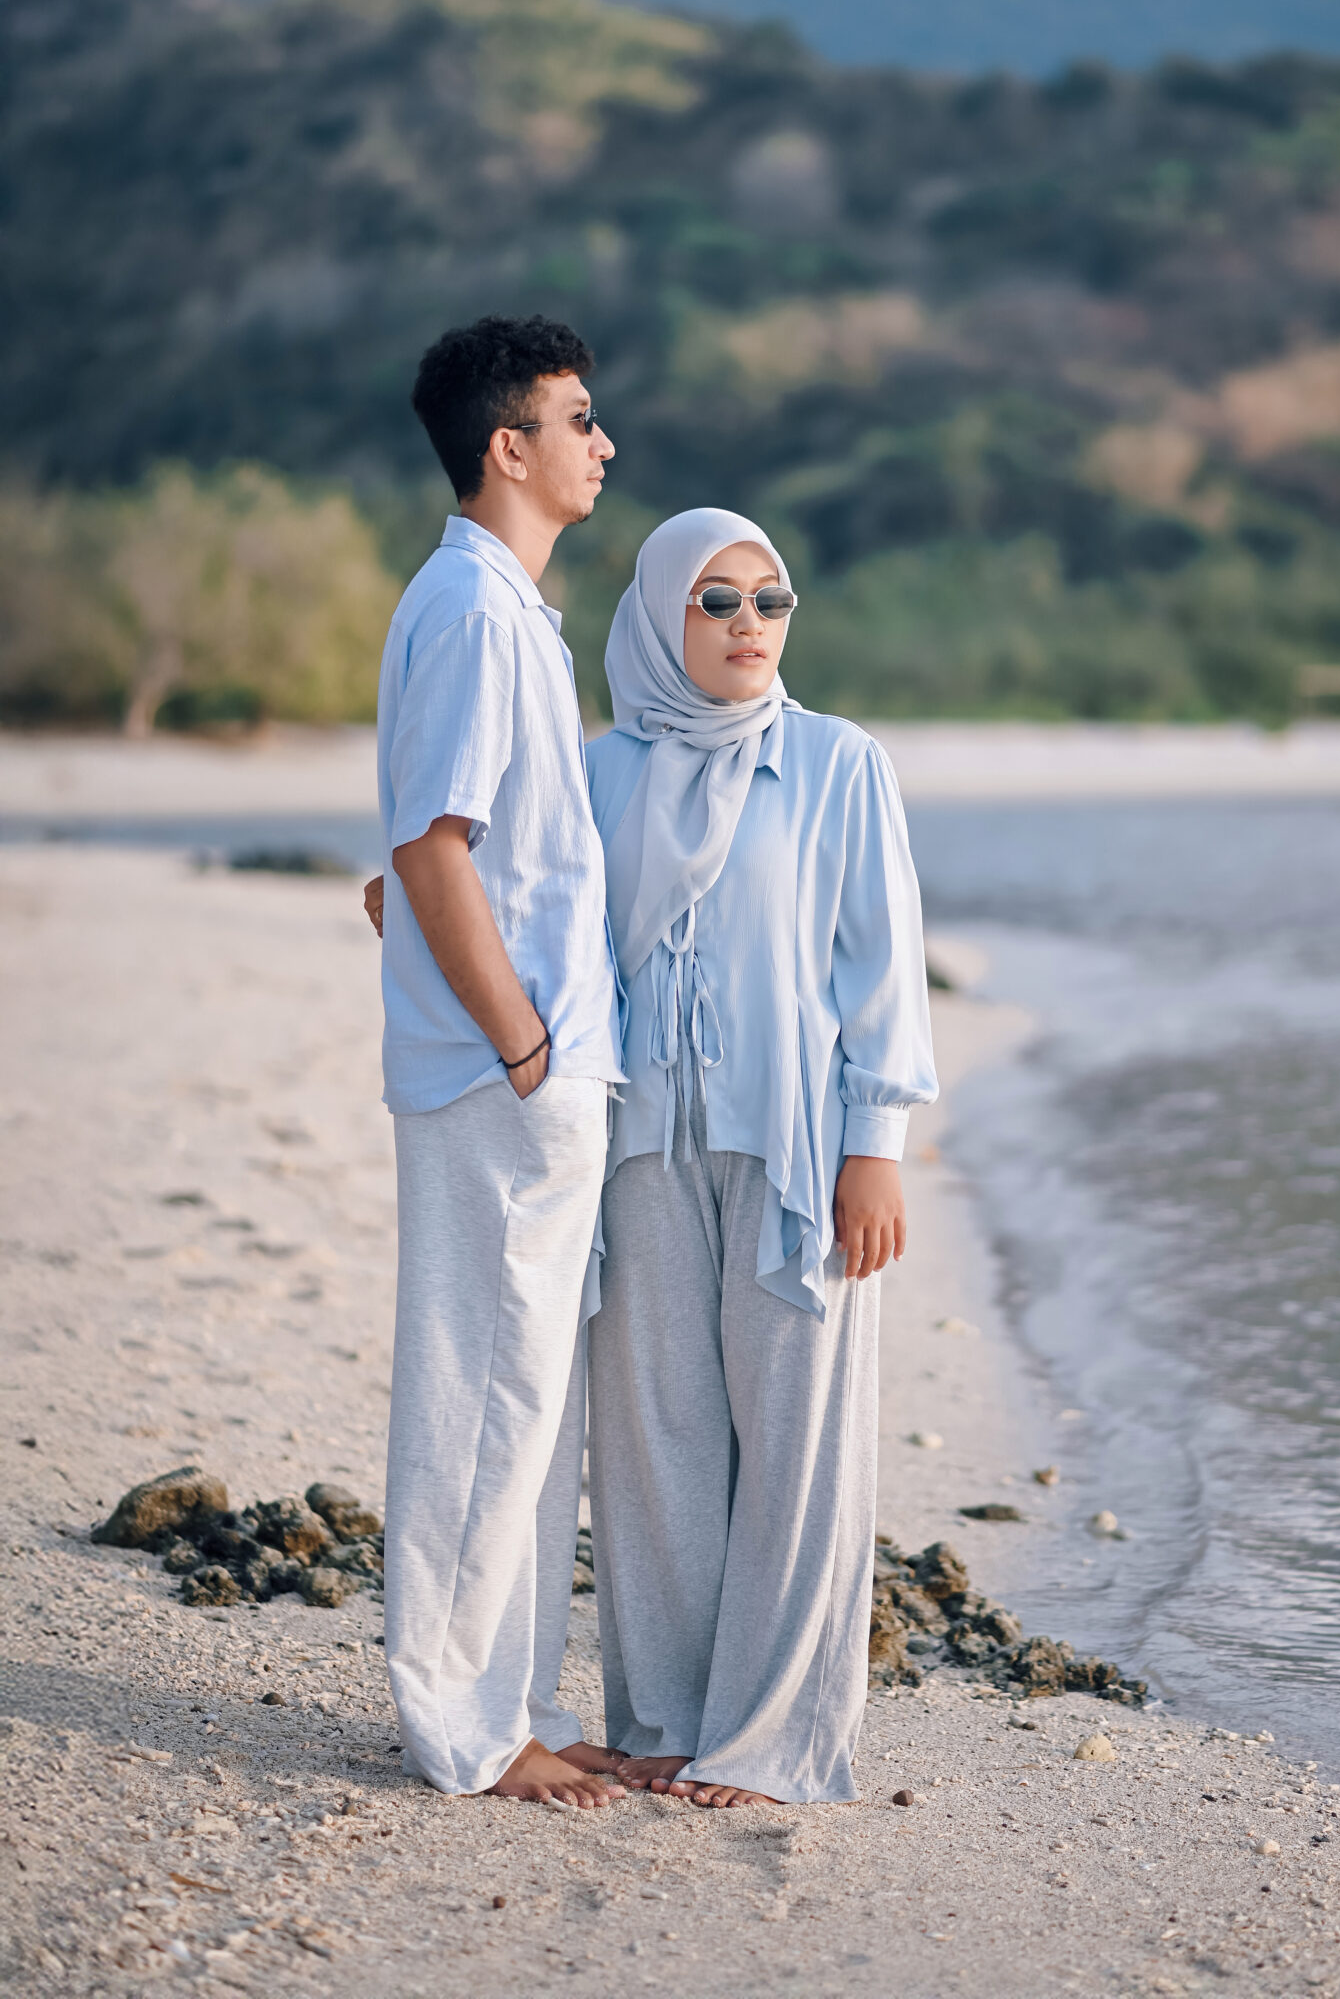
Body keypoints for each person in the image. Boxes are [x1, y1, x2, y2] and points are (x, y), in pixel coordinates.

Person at [582, 507, 938, 1808]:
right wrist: (408, 898)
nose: (749, 625)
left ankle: (774, 1739)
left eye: (770, 600)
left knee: (799, 1446)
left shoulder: (839, 762)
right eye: (718, 600)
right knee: (653, 1438)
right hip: (637, 1146)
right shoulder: (600, 771)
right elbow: (530, 913)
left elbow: (880, 964)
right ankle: (667, 1719)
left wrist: (876, 1145)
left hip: (796, 1150)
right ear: (658, 616)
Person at [372, 314, 628, 1810]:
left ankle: (508, 1705)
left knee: (525, 1404)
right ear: (506, 446)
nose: (604, 443)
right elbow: (433, 845)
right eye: (579, 418)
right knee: (483, 1398)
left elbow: (442, 847)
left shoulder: (502, 606)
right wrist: (524, 1041)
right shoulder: (474, 608)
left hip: (530, 1063)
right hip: (503, 1073)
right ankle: (464, 1730)